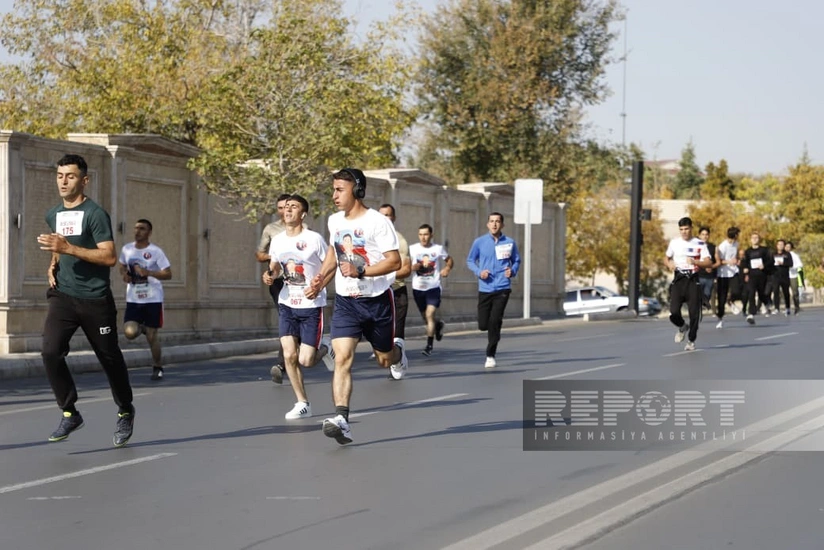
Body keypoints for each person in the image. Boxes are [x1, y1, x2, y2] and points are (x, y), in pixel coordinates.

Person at [36, 154, 135, 447]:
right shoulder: (54, 213)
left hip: (95, 300)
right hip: (63, 296)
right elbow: (59, 244)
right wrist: (54, 261)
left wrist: (68, 248)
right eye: (60, 176)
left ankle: (125, 409)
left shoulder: (95, 214)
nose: (64, 182)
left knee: (109, 358)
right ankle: (70, 411)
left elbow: (108, 256)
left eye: (70, 176)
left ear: (84, 180)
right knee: (50, 351)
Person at [308, 168, 408, 445]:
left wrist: (362, 272)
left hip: (377, 302)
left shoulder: (377, 222)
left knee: (384, 359)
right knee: (342, 358)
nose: (334, 195)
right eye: (334, 189)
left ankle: (399, 352)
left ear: (358, 190)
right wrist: (321, 279)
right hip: (346, 301)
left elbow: (394, 262)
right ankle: (342, 419)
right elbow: (333, 252)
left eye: (340, 189)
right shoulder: (334, 221)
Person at [261, 194, 334, 420]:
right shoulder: (278, 239)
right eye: (286, 207)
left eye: (294, 207)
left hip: (311, 305)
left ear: (303, 214)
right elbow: (274, 265)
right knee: (289, 356)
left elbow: (331, 266)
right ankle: (302, 402)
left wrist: (319, 284)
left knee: (306, 360)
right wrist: (270, 275)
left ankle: (326, 347)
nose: (289, 210)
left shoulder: (314, 239)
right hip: (287, 303)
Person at [118, 219, 172, 380]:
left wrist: (149, 273)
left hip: (152, 299)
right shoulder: (127, 249)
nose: (137, 231)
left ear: (149, 232)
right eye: (136, 228)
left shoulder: (156, 251)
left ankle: (157, 366)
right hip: (134, 299)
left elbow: (168, 274)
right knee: (129, 332)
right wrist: (124, 275)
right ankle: (141, 328)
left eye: (142, 229)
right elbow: (122, 265)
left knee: (152, 336)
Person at [466, 212, 521, 368]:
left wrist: (513, 270)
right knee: (483, 324)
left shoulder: (510, 242)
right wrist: (479, 272)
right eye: (492, 221)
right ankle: (491, 332)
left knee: (495, 320)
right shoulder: (479, 242)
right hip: (485, 287)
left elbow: (516, 260)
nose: (494, 224)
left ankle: (490, 354)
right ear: (487, 224)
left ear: (502, 224)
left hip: (503, 287)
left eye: (497, 221)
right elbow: (470, 260)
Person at [256, 193, 290, 384]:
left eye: (288, 207)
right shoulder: (271, 229)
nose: (284, 211)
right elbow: (259, 254)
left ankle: (286, 360)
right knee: (285, 317)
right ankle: (281, 364)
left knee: (293, 320)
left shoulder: (305, 231)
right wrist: (274, 257)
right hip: (278, 281)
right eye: (280, 208)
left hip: (299, 281)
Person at [664, 217, 712, 351]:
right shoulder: (674, 243)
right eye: (681, 230)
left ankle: (691, 340)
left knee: (694, 314)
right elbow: (666, 258)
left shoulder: (699, 243)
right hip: (679, 279)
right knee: (673, 312)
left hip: (693, 280)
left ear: (691, 228)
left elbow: (709, 263)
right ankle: (682, 326)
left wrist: (696, 262)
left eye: (686, 229)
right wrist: (669, 264)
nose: (684, 232)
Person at [409, 223, 453, 356]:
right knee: (426, 318)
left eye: (426, 234)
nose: (423, 237)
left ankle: (429, 346)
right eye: (421, 234)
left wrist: (447, 269)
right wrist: (412, 268)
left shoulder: (438, 249)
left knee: (429, 314)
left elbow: (450, 260)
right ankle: (438, 325)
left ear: (431, 235)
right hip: (417, 288)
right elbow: (404, 266)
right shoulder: (412, 249)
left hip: (433, 287)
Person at [378, 204, 412, 342]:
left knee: (396, 335)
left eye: (387, 215)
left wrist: (383, 273)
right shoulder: (371, 238)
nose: (384, 218)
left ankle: (398, 359)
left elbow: (406, 270)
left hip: (397, 292)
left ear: (394, 218)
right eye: (381, 215)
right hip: (378, 292)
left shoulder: (400, 240)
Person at [742, 231, 774, 325]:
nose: (755, 239)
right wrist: (745, 269)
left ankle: (767, 303)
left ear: (759, 239)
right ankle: (751, 314)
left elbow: (771, 261)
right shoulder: (748, 251)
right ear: (750, 240)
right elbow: (745, 262)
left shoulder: (764, 250)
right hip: (752, 275)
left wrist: (764, 266)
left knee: (761, 294)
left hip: (762, 275)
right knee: (751, 293)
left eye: (756, 238)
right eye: (753, 238)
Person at [714, 226, 741, 330]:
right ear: (734, 235)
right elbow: (719, 261)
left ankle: (730, 301)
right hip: (723, 274)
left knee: (737, 291)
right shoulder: (722, 246)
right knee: (721, 298)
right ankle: (720, 319)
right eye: (737, 234)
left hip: (733, 272)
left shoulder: (736, 244)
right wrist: (728, 262)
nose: (738, 236)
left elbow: (735, 255)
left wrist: (736, 260)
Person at [697, 227, 718, 313]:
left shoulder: (713, 247)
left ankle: (702, 306)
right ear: (699, 235)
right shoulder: (695, 247)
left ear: (709, 236)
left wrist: (711, 267)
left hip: (709, 276)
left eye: (706, 235)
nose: (705, 236)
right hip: (698, 275)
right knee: (696, 294)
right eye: (703, 234)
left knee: (707, 295)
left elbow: (718, 261)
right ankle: (696, 312)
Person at [771, 239, 793, 316]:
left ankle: (787, 308)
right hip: (775, 276)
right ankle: (776, 308)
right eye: (779, 244)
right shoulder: (773, 254)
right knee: (776, 292)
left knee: (786, 292)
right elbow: (769, 263)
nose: (780, 246)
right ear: (776, 246)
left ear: (784, 246)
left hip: (784, 276)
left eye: (782, 245)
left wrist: (783, 263)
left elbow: (791, 264)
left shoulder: (787, 254)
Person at [785, 241, 804, 314]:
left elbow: (800, 265)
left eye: (789, 247)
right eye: (786, 247)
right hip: (784, 276)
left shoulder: (794, 255)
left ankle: (797, 306)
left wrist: (792, 267)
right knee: (786, 293)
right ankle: (787, 308)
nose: (787, 248)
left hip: (792, 275)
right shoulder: (782, 255)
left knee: (795, 292)